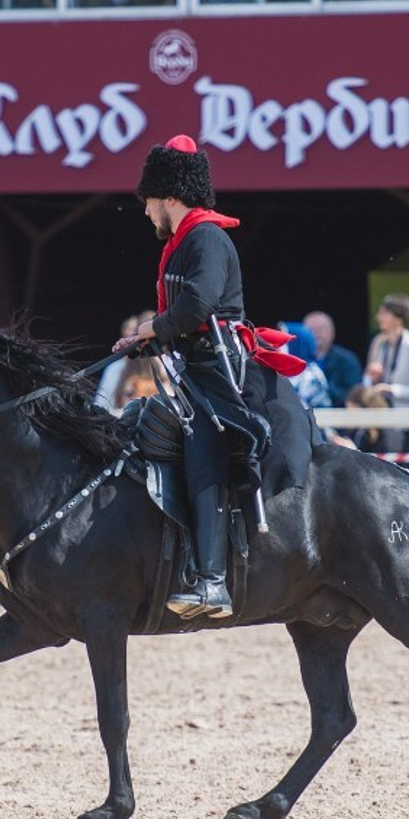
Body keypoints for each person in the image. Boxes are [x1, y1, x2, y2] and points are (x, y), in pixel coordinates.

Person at [115, 135, 319, 619]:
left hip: (224, 373)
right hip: (198, 368)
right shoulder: (186, 241)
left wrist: (152, 328)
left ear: (168, 197)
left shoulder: (206, 238)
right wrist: (148, 340)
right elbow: (185, 318)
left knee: (201, 448)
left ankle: (212, 581)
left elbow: (199, 304)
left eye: (148, 204)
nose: (146, 214)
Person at [364, 294, 409, 408]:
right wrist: (374, 378)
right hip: (388, 421)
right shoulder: (381, 345)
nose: (378, 317)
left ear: (398, 318)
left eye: (384, 313)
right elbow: (369, 383)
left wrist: (392, 390)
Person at [302, 310, 363, 407]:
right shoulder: (298, 361)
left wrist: (324, 386)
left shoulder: (347, 360)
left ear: (332, 332)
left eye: (320, 329)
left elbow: (355, 397)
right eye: (311, 330)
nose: (316, 334)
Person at [339, 383, 404, 455]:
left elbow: (382, 463)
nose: (350, 415)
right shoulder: (357, 430)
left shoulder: (385, 432)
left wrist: (354, 451)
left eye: (352, 411)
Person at [280, 321, 332, 410]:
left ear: (297, 344)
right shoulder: (280, 372)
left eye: (283, 343)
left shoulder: (311, 375)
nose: (279, 347)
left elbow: (322, 410)